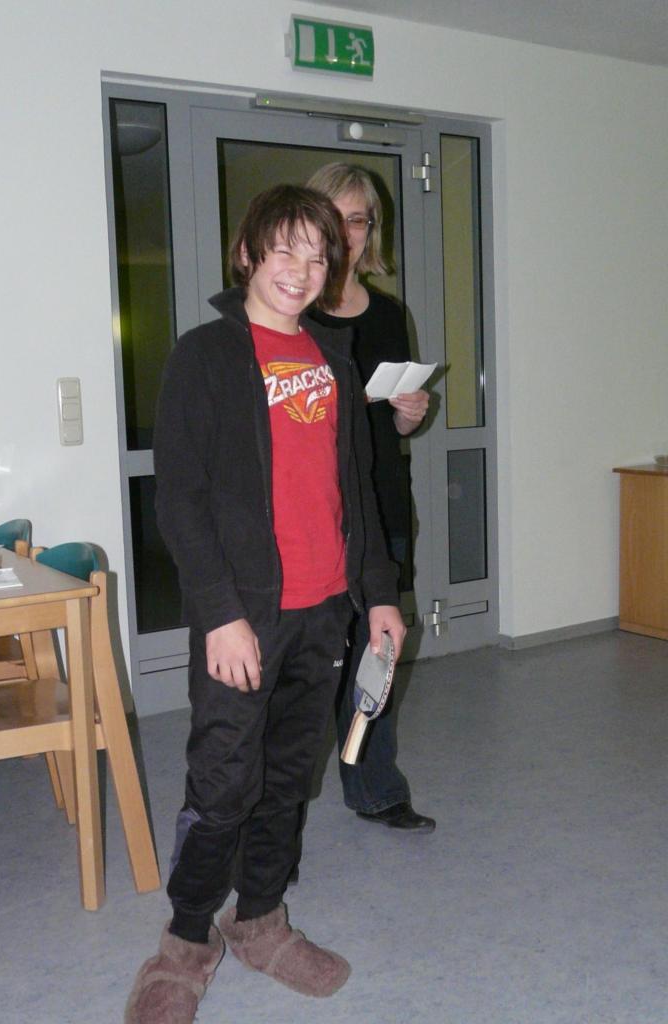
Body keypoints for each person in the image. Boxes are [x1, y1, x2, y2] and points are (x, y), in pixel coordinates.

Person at [126, 184, 406, 1024]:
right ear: (247, 254)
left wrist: (379, 597)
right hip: (245, 612)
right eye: (284, 249)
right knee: (223, 783)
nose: (301, 269)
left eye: (319, 256)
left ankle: (259, 922)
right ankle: (184, 943)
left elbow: (356, 490)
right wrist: (219, 612)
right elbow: (181, 497)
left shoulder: (333, 358)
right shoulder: (207, 355)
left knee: (288, 777)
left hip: (325, 611)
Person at [306, 162, 435, 834]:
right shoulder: (289, 310)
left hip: (382, 501)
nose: (345, 232)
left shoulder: (388, 314)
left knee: (376, 653)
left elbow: (397, 429)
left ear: (369, 230)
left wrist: (410, 414)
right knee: (310, 655)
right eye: (333, 216)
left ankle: (376, 788)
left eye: (357, 219)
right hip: (312, 510)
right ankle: (274, 797)